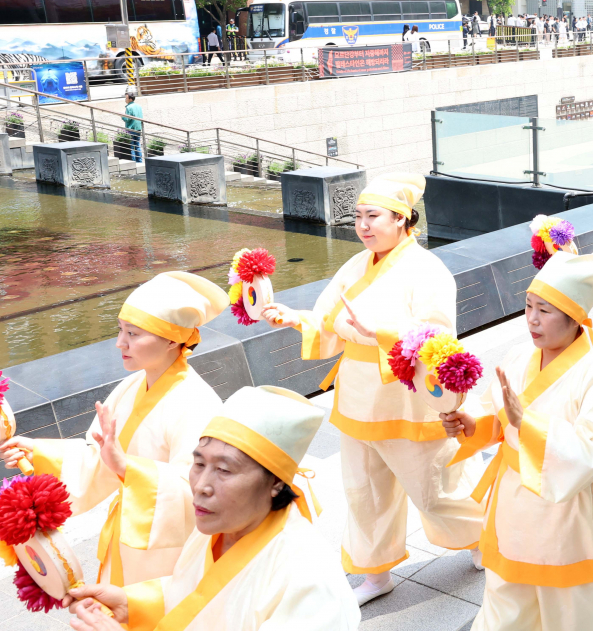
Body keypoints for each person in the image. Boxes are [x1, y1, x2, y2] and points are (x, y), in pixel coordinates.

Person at [261, 173, 486, 605]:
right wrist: (294, 317)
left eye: (373, 216)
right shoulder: (355, 265)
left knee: (433, 488)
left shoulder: (428, 270)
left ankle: (480, 536)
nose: (363, 226)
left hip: (407, 395)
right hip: (358, 395)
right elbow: (328, 317)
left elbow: (439, 336)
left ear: (402, 219)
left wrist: (378, 331)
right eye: (358, 216)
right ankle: (375, 572)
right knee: (363, 490)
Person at [440, 252, 593, 630]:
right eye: (528, 305)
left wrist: (525, 422)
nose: (531, 318)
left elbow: (590, 451)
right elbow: (498, 415)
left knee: (571, 608)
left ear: (574, 317)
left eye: (544, 310)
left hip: (568, 512)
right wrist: (473, 423)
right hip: (513, 503)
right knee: (506, 604)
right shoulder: (519, 356)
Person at [66, 386, 360, 631]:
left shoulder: (308, 580)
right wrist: (131, 604)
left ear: (275, 482)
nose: (201, 486)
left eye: (224, 470)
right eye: (198, 463)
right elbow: (195, 597)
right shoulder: (216, 528)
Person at [3, 272, 228, 587]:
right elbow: (101, 460)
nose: (121, 343)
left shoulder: (197, 403)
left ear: (172, 339)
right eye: (120, 330)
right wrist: (38, 452)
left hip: (170, 552)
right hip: (129, 535)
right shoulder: (132, 385)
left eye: (133, 333)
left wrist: (126, 467)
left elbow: (199, 491)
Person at [121, 90, 144, 163]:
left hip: (131, 128)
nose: (125, 99)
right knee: (137, 145)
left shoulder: (129, 107)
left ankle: (134, 162)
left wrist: (122, 116)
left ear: (130, 99)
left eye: (126, 98)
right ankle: (139, 161)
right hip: (138, 128)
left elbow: (127, 119)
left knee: (131, 146)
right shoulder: (139, 106)